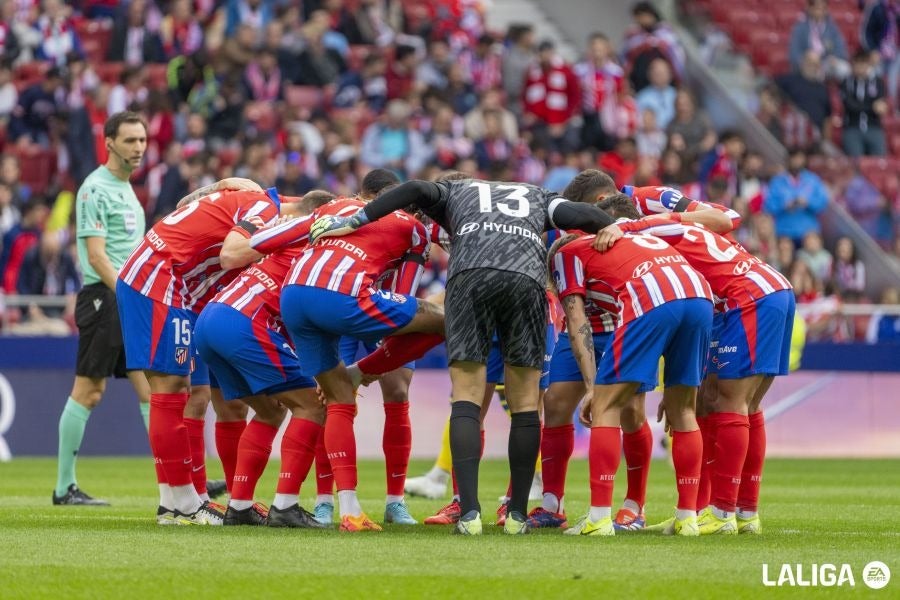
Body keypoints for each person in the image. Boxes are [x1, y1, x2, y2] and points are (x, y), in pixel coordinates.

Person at [309, 176, 617, 535]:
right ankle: (516, 515)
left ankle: (469, 513)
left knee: (467, 396)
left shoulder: (455, 192)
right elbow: (581, 213)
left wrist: (356, 219)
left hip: (470, 278)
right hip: (526, 283)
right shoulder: (537, 195)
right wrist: (612, 227)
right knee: (526, 402)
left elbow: (416, 190)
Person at [598, 195, 795, 535]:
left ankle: (721, 514)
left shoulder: (655, 230)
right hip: (757, 294)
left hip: (749, 297)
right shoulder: (686, 228)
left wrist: (624, 227)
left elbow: (719, 217)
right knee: (722, 401)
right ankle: (732, 512)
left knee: (732, 403)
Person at [249, 188, 440, 532]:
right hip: (346, 298)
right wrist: (383, 356)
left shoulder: (336, 206)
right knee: (445, 322)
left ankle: (349, 511)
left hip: (293, 297)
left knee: (336, 400)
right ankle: (360, 372)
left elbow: (262, 239)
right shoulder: (416, 229)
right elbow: (406, 294)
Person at [116, 180, 277, 525]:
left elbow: (192, 207)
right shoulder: (266, 211)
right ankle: (183, 502)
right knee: (171, 389)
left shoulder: (249, 200)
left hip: (181, 289)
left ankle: (178, 501)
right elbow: (230, 254)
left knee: (194, 392)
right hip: (160, 277)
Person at [549, 200, 714, 537]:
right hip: (700, 295)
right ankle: (687, 518)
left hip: (651, 296)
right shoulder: (635, 237)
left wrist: (594, 388)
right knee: (684, 410)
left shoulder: (564, 255)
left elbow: (577, 319)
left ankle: (598, 519)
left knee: (607, 406)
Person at [194, 190, 336, 528]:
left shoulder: (284, 239)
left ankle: (239, 506)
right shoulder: (317, 249)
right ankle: (285, 506)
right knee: (313, 405)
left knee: (270, 409)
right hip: (244, 323)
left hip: (212, 319)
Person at [52, 112, 150, 506]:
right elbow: (96, 257)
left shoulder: (127, 189)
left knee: (151, 388)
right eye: (130, 141)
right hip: (104, 297)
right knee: (89, 390)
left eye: (142, 140)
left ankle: (179, 484)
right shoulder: (95, 189)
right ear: (109, 142)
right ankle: (64, 487)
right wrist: (128, 292)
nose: (139, 148)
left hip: (126, 296)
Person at [764, 148, 830, 244]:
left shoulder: (813, 180)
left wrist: (808, 203)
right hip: (784, 233)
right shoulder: (777, 181)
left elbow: (822, 203)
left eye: (800, 159)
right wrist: (784, 205)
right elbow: (768, 206)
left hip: (808, 233)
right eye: (794, 158)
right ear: (788, 160)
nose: (797, 162)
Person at [840, 50, 888, 157]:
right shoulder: (846, 83)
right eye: (858, 63)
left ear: (868, 64)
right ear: (853, 64)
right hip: (852, 128)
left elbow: (880, 107)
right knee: (856, 162)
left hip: (874, 127)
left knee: (880, 163)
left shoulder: (878, 82)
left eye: (863, 63)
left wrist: (860, 105)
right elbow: (850, 106)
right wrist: (871, 106)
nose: (860, 66)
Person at [788, 0, 849, 80]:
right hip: (807, 64)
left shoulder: (832, 28)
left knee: (845, 69)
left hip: (827, 63)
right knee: (816, 73)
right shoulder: (800, 28)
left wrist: (835, 57)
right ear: (809, 8)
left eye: (823, 8)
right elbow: (794, 53)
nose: (820, 11)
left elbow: (841, 49)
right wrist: (806, 59)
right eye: (817, 8)